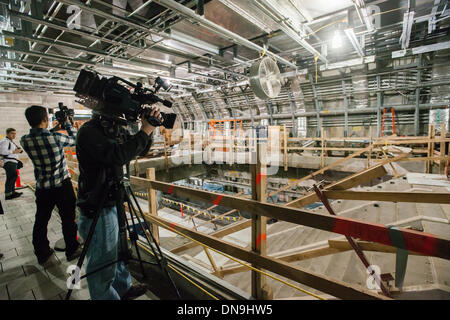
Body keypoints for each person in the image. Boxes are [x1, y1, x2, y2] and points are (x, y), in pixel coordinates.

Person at [76, 107, 158, 300]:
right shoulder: (89, 131)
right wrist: (144, 131)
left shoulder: (113, 129)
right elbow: (117, 156)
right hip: (98, 205)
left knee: (118, 252)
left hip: (114, 199)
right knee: (102, 263)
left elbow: (139, 147)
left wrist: (148, 129)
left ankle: (123, 288)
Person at [20, 106, 82, 266]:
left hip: (42, 188)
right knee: (68, 218)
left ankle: (42, 253)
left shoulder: (24, 140)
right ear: (45, 119)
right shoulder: (55, 138)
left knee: (41, 220)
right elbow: (75, 139)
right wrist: (68, 124)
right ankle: (72, 249)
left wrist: (55, 128)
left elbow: (44, 134)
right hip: (62, 186)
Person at [0, 128, 23, 200]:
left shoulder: (10, 141)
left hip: (12, 161)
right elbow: (3, 152)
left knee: (13, 177)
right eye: (12, 133)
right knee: (11, 177)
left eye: (15, 133)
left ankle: (12, 192)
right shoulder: (5, 141)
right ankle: (8, 194)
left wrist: (17, 151)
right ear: (7, 134)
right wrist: (14, 151)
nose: (14, 135)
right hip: (9, 162)